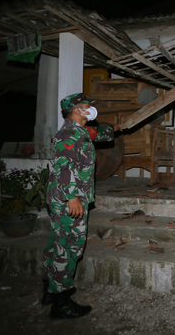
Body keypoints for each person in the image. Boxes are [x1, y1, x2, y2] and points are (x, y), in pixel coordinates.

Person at [41, 92, 121, 319]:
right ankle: (61, 302)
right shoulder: (68, 134)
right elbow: (63, 165)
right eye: (87, 106)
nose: (90, 109)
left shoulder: (81, 131)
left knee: (56, 242)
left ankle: (49, 290)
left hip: (63, 197)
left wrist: (117, 127)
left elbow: (103, 133)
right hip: (68, 199)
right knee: (69, 247)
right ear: (77, 110)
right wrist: (72, 197)